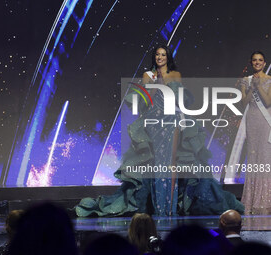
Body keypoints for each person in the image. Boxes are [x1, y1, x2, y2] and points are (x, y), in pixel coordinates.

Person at [75, 45, 244, 217]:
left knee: (171, 164)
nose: (160, 57)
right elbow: (145, 99)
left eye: (163, 55)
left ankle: (169, 208)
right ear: (154, 57)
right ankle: (158, 209)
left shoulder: (176, 75)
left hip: (173, 120)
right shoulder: (148, 75)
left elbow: (181, 100)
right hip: (154, 122)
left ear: (168, 57)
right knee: (156, 166)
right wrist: (156, 81)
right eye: (157, 54)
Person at [239, 51, 271, 215]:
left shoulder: (269, 80)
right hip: (251, 120)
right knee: (253, 158)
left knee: (265, 157)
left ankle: (265, 199)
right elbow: (244, 102)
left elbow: (267, 101)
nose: (257, 63)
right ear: (251, 63)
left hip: (265, 121)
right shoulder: (246, 80)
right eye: (254, 60)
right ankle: (251, 200)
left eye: (260, 60)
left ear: (264, 63)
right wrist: (252, 87)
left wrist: (259, 85)